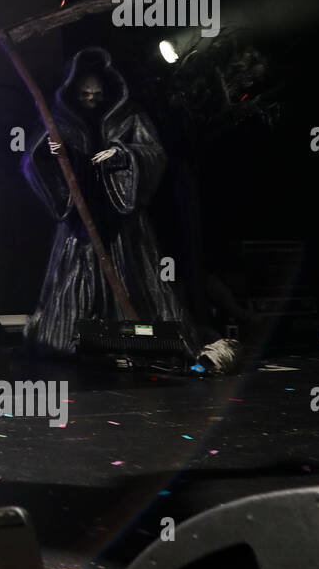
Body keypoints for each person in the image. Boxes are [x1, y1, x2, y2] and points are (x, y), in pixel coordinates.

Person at [21, 46, 201, 357]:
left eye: (97, 94)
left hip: (122, 216)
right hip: (80, 215)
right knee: (77, 278)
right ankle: (71, 338)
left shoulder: (129, 116)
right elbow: (33, 159)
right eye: (85, 95)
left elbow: (154, 153)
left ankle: (137, 336)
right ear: (74, 91)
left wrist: (122, 154)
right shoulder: (58, 118)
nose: (91, 100)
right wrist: (51, 154)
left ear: (108, 90)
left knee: (132, 275)